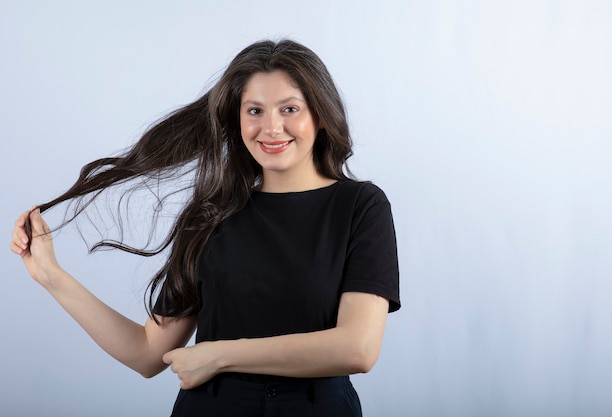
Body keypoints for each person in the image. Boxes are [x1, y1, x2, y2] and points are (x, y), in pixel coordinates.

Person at [10, 39, 400, 416]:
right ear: (237, 118)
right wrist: (51, 276)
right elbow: (148, 353)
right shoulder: (211, 217)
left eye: (289, 109)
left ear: (320, 114)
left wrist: (220, 354)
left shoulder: (361, 206)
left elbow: (358, 349)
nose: (272, 127)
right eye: (254, 111)